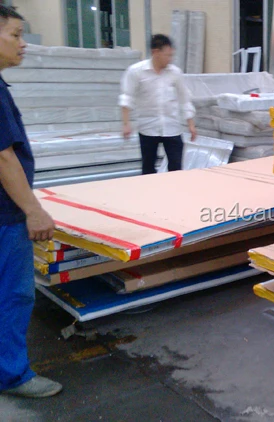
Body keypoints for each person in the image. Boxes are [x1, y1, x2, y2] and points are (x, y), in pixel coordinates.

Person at [0, 5, 62, 398]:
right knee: (13, 294)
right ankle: (12, 376)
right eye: (15, 35)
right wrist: (33, 210)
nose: (23, 44)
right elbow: (3, 157)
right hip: (5, 217)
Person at [119, 34, 197, 174]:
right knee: (148, 168)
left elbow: (184, 98)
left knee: (176, 167)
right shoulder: (136, 72)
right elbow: (127, 97)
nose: (170, 59)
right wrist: (126, 124)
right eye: (167, 55)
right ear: (155, 52)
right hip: (148, 127)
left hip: (172, 126)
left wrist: (191, 124)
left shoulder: (175, 73)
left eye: (171, 55)